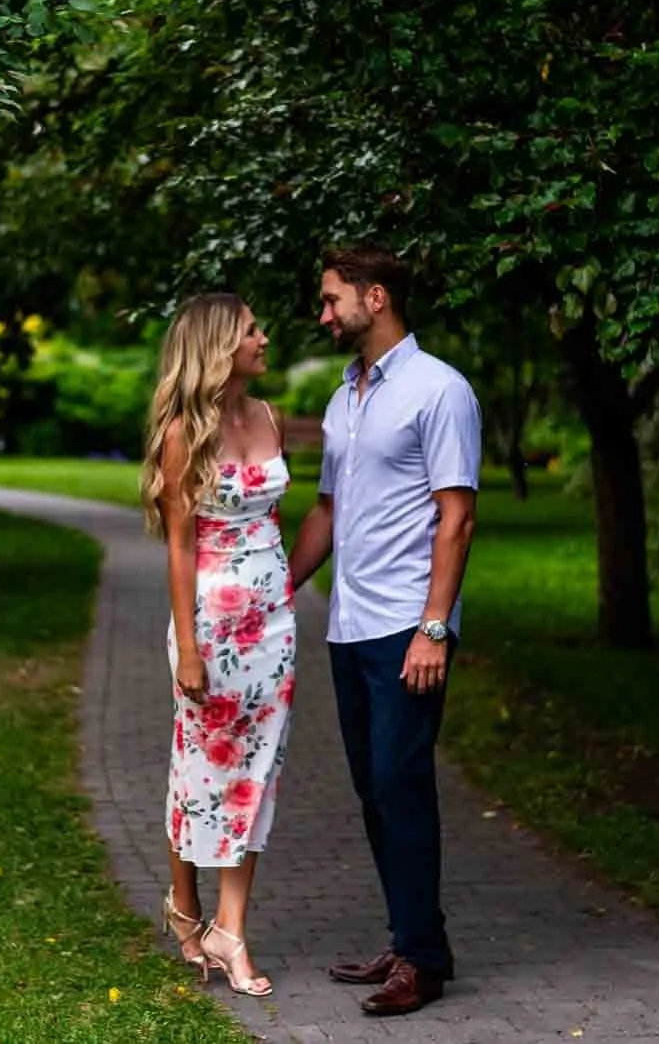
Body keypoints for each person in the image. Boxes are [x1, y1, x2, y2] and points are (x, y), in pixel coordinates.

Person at [287, 245, 481, 1017]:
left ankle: (422, 962)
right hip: (350, 623)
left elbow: (458, 516)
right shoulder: (346, 396)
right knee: (374, 788)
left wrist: (434, 627)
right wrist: (277, 589)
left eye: (333, 299)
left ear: (376, 297)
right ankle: (411, 939)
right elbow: (327, 512)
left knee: (402, 783)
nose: (323, 313)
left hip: (409, 622)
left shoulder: (441, 390)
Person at [140, 292, 296, 998]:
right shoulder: (183, 433)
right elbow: (179, 544)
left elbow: (274, 521)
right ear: (219, 346)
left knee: (256, 772)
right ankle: (184, 903)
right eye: (251, 330)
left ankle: (232, 927)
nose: (265, 338)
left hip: (272, 625)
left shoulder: (269, 418)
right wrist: (192, 647)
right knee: (202, 768)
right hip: (209, 623)